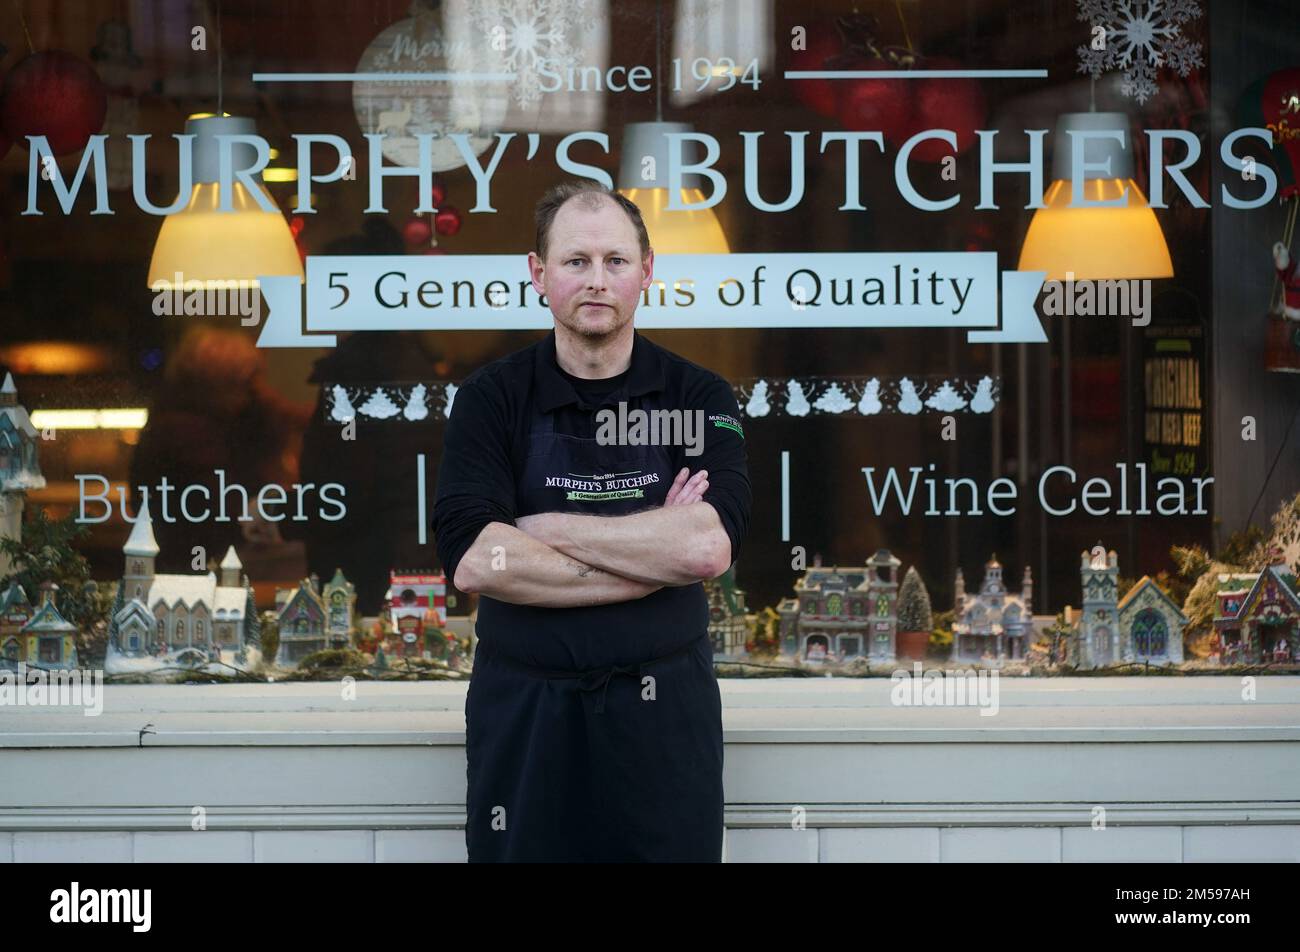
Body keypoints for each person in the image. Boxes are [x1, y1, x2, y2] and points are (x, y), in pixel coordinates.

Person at [432, 181, 751, 862]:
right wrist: (646, 560)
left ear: (647, 271)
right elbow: (476, 561)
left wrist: (541, 527)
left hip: (666, 717)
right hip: (525, 715)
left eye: (616, 261)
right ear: (538, 274)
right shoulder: (491, 399)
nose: (597, 280)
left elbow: (703, 549)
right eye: (576, 261)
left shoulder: (697, 395)